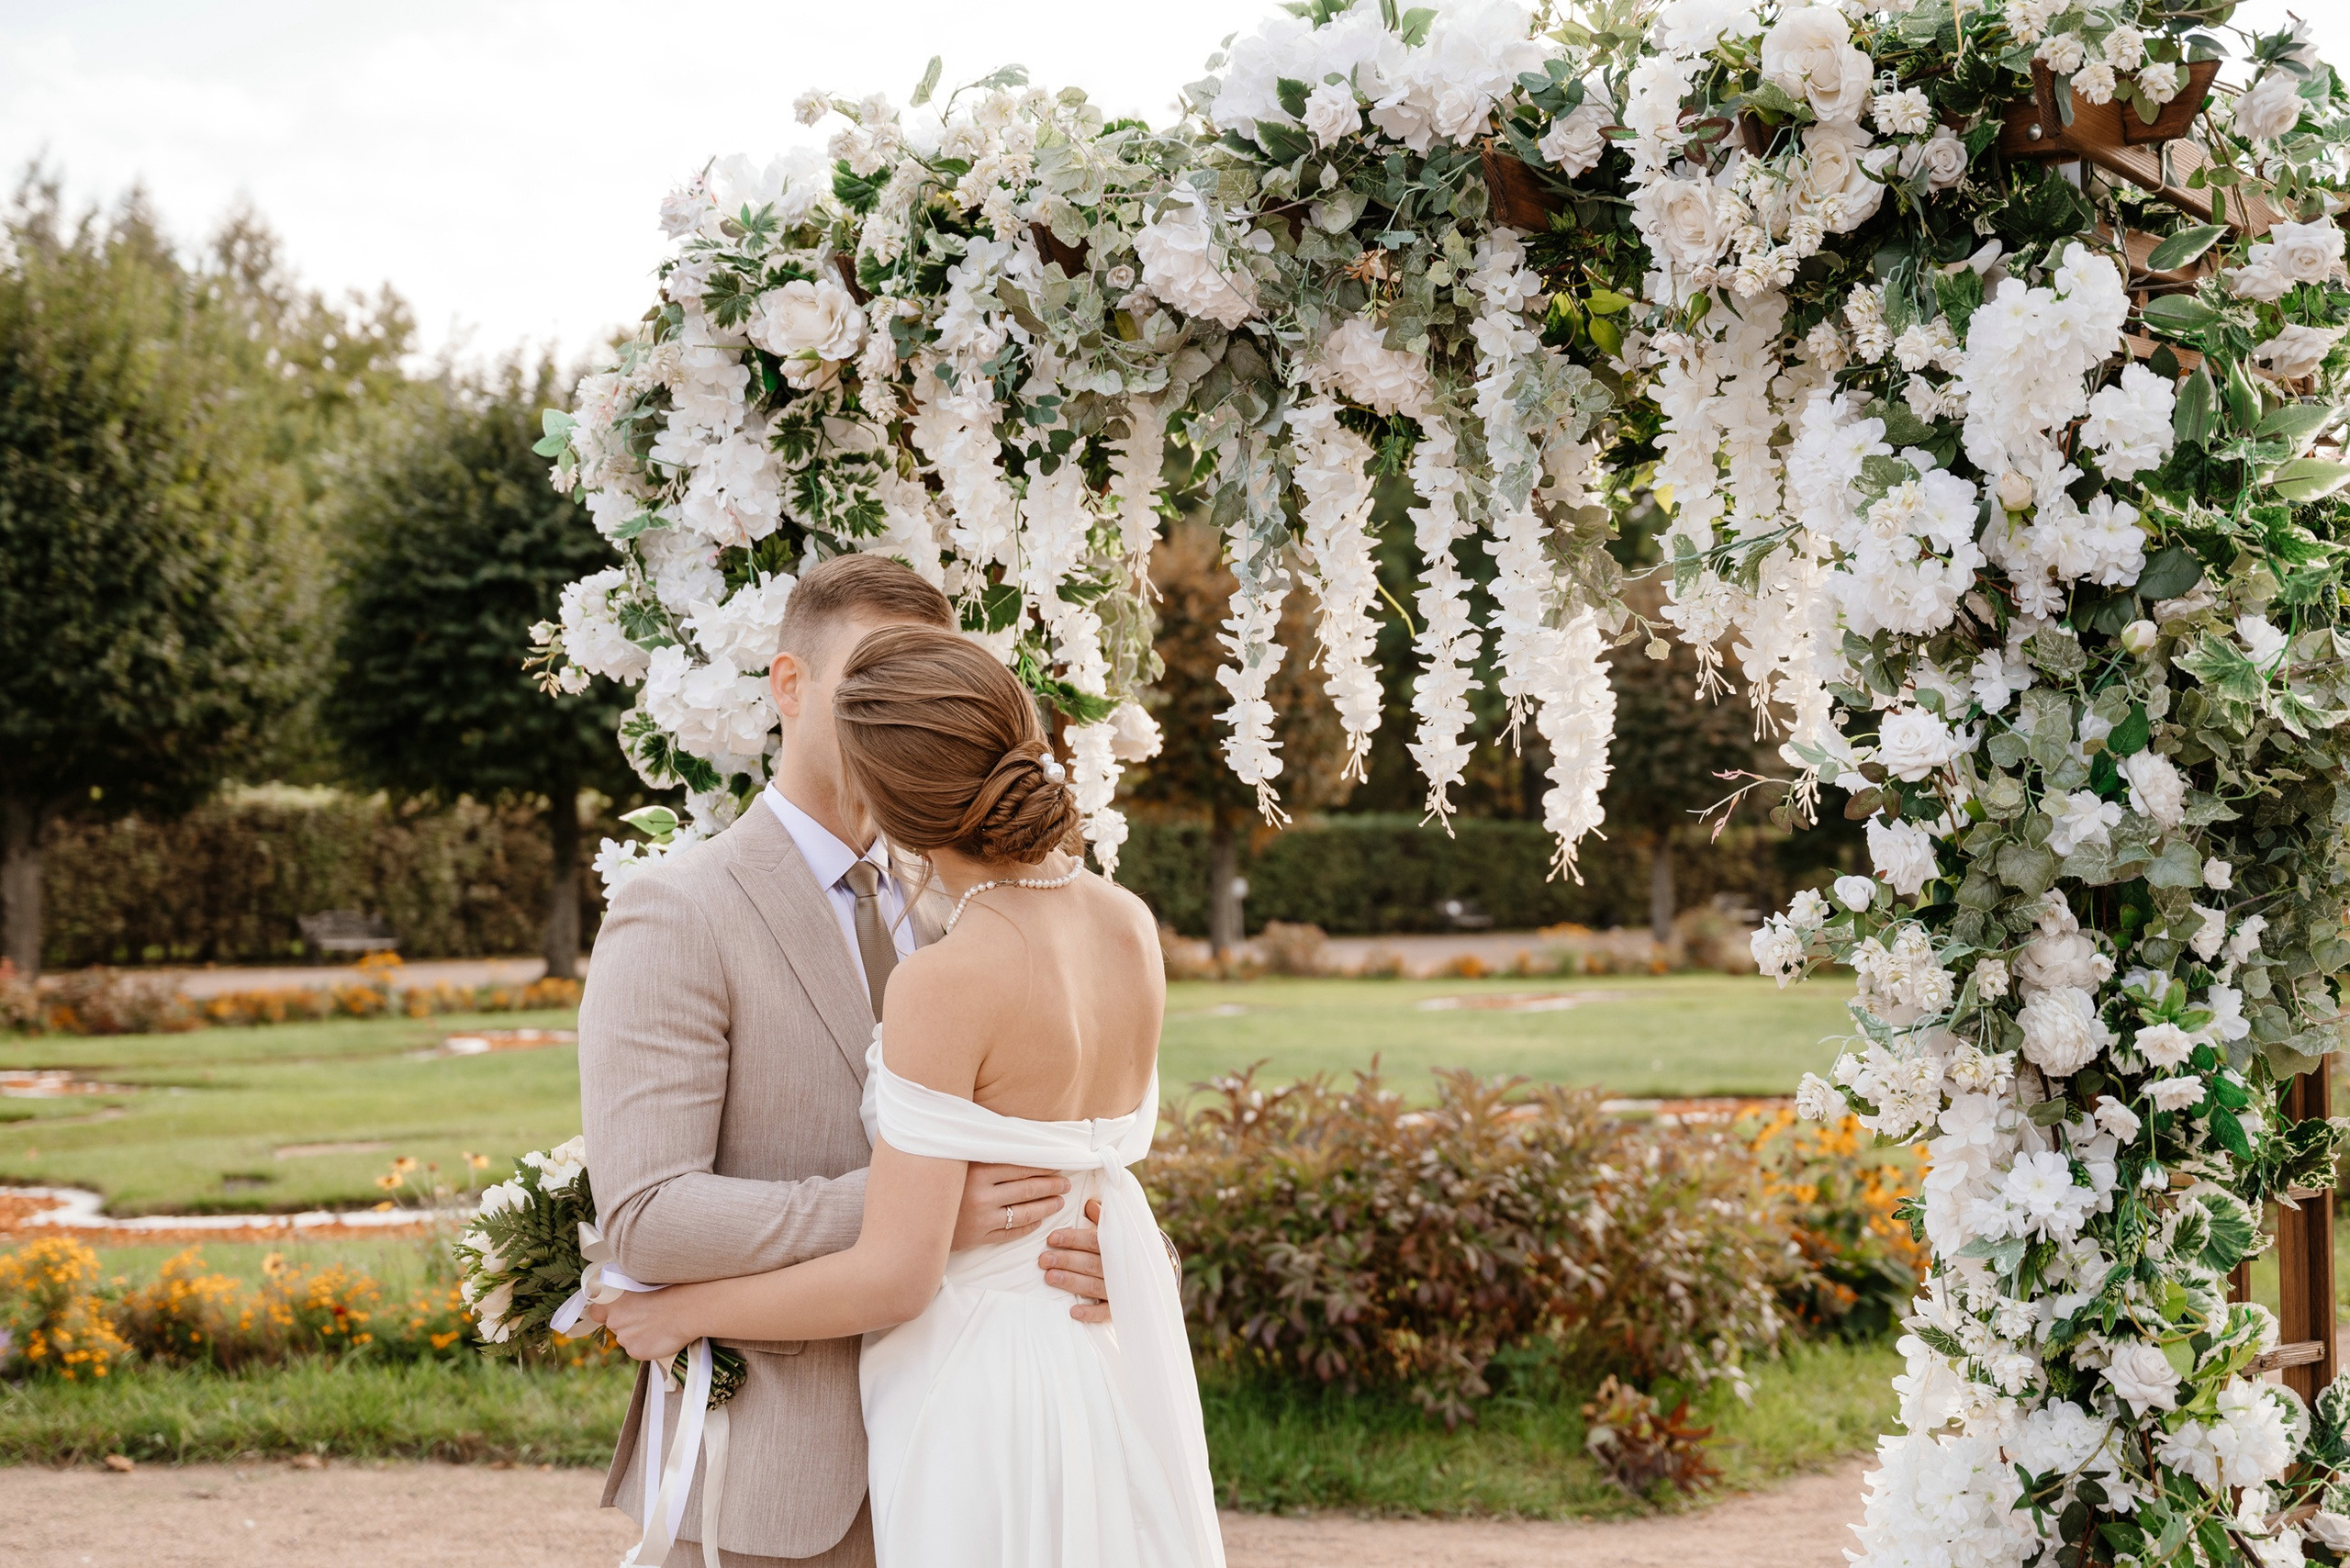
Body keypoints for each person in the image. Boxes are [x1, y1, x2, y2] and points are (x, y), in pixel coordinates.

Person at [592, 625, 1224, 1568]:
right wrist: (1131, 1254)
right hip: (1095, 1378)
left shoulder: (946, 973)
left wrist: (687, 1312)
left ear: (887, 801)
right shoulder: (1127, 924)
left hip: (975, 1388)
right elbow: (1094, 1167)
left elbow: (896, 1274)